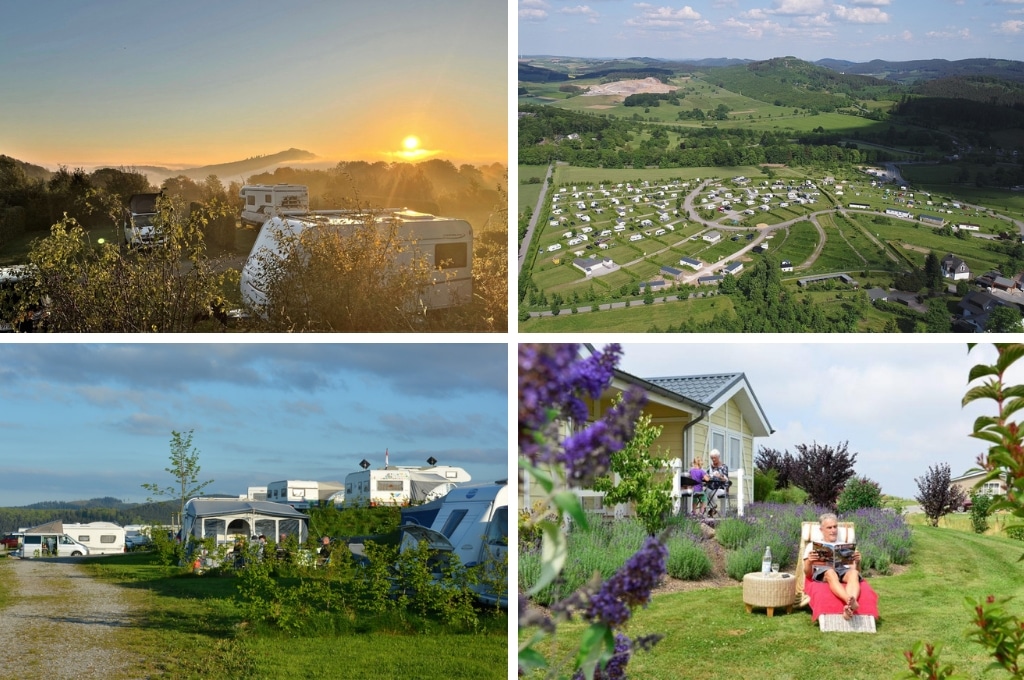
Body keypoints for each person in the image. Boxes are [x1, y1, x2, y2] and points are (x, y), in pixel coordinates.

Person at [803, 512, 862, 620]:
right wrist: (809, 562)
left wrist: (857, 562)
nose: (833, 530)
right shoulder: (812, 546)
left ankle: (848, 608)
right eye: (829, 527)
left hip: (843, 570)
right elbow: (807, 574)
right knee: (830, 572)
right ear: (821, 530)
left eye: (835, 527)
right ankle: (849, 601)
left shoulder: (845, 545)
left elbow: (856, 570)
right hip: (825, 571)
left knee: (854, 573)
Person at [706, 450, 730, 515]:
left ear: (718, 457)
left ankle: (712, 509)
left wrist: (719, 476)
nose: (713, 459)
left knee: (712, 493)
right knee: (705, 493)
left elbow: (725, 479)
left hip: (721, 488)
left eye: (715, 458)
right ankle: (713, 508)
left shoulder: (724, 467)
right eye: (712, 458)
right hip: (711, 486)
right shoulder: (710, 467)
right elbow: (706, 476)